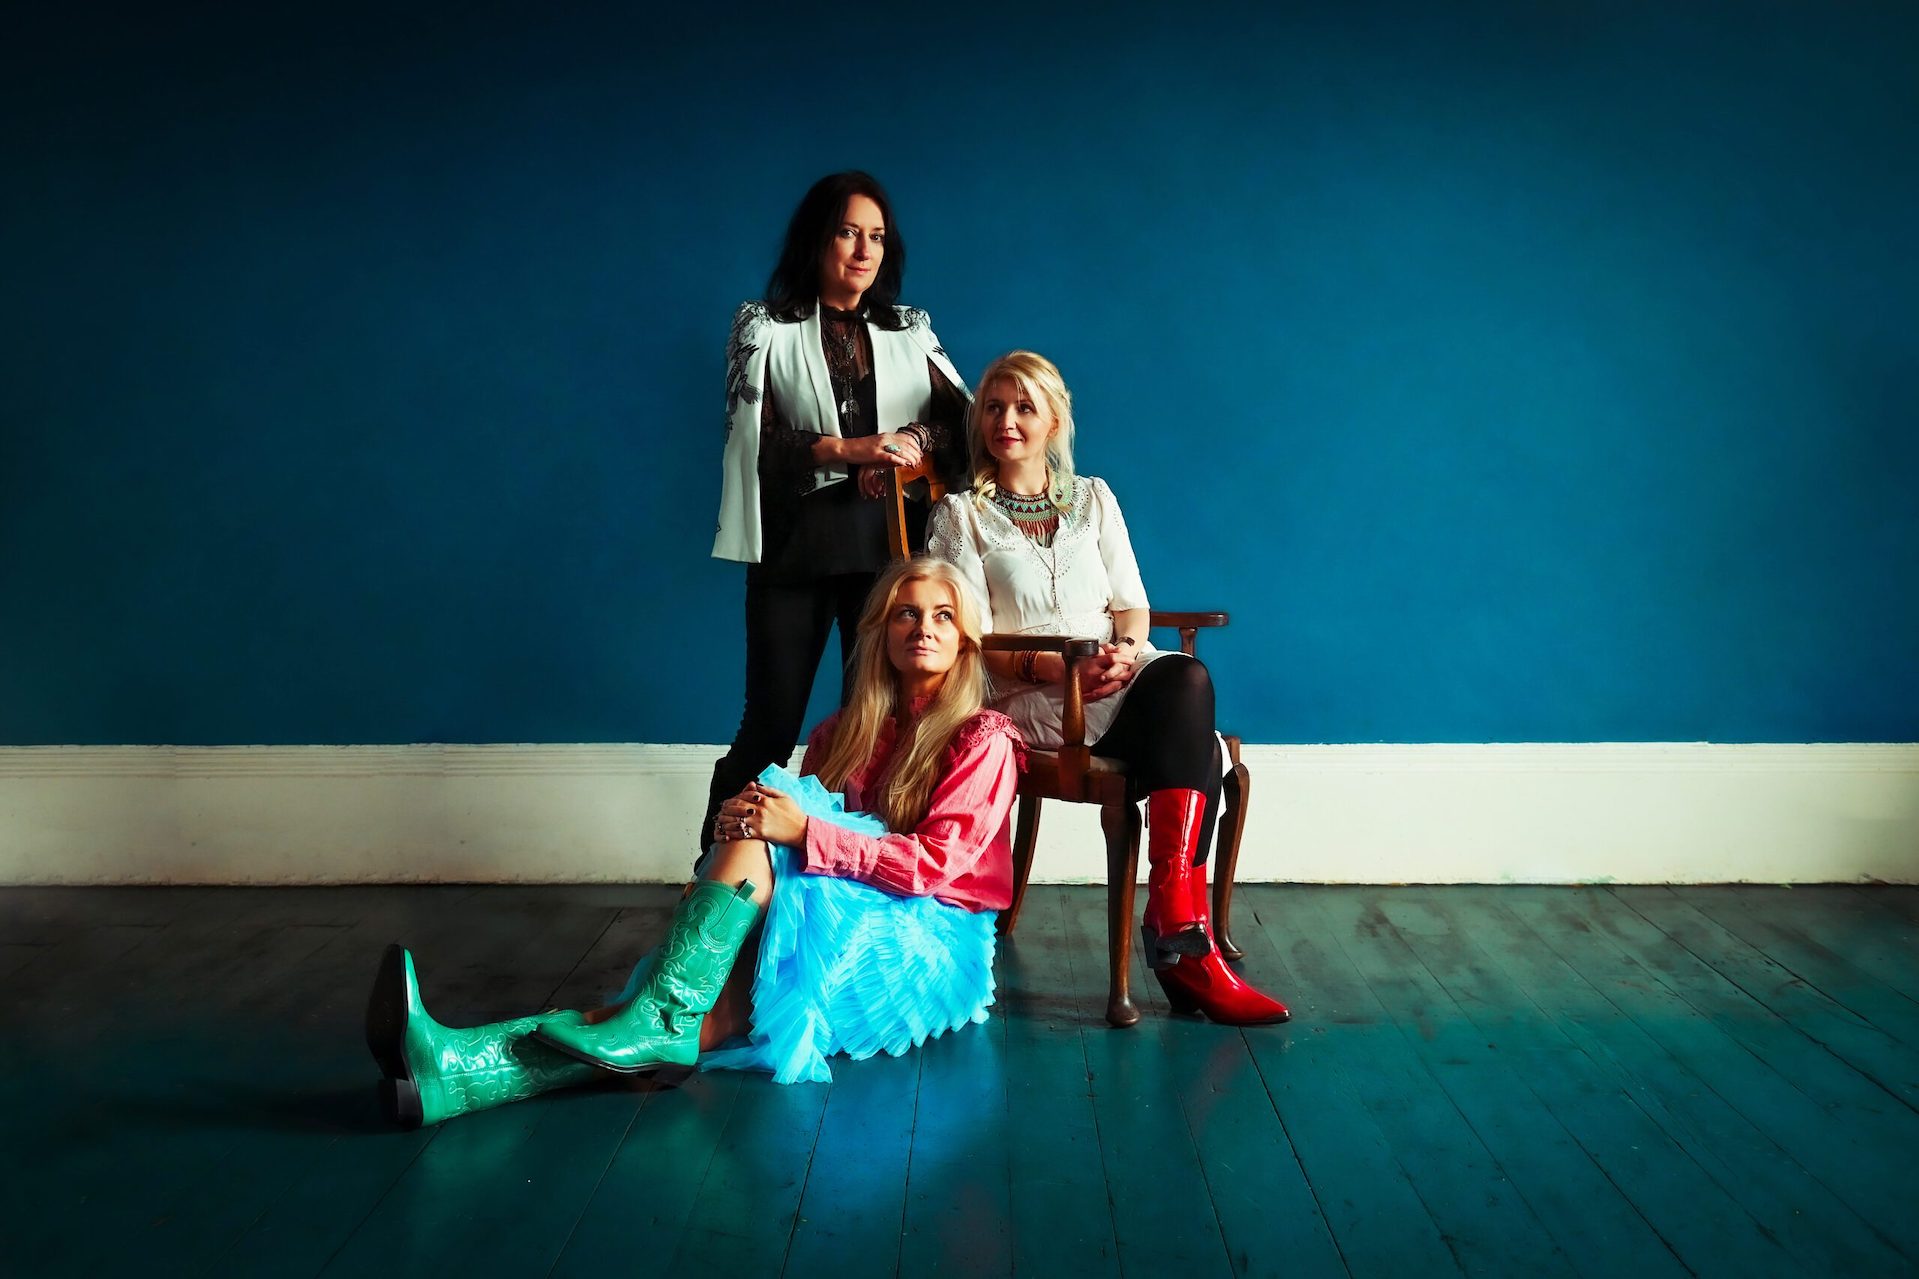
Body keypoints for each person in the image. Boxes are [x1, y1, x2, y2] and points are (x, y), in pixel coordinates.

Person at [364, 558, 1023, 1127]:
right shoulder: (841, 732)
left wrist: (792, 831)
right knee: (683, 1018)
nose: (923, 628)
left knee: (752, 868)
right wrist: (729, 851)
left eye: (943, 616)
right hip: (841, 915)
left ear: (965, 639)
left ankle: (474, 1062)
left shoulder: (982, 738)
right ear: (880, 630)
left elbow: (933, 866)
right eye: (907, 613)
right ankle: (452, 1073)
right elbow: (800, 837)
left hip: (928, 946)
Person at [926, 351, 1290, 1026]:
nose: (1007, 421)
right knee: (1190, 728)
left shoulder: (1093, 497)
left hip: (1120, 678)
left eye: (1024, 407)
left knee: (1182, 675)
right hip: (1036, 696)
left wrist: (1123, 653)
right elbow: (966, 638)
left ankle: (1177, 924)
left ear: (1054, 420)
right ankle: (1183, 947)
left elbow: (1131, 604)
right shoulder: (961, 516)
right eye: (994, 408)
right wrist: (1059, 669)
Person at [704, 171, 970, 859]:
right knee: (771, 724)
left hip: (884, 555)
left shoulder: (909, 328)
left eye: (876, 236)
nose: (863, 250)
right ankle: (711, 874)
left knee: (871, 729)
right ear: (817, 240)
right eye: (848, 232)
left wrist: (912, 441)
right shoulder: (763, 325)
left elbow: (964, 428)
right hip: (793, 546)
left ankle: (852, 878)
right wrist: (850, 450)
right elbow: (751, 442)